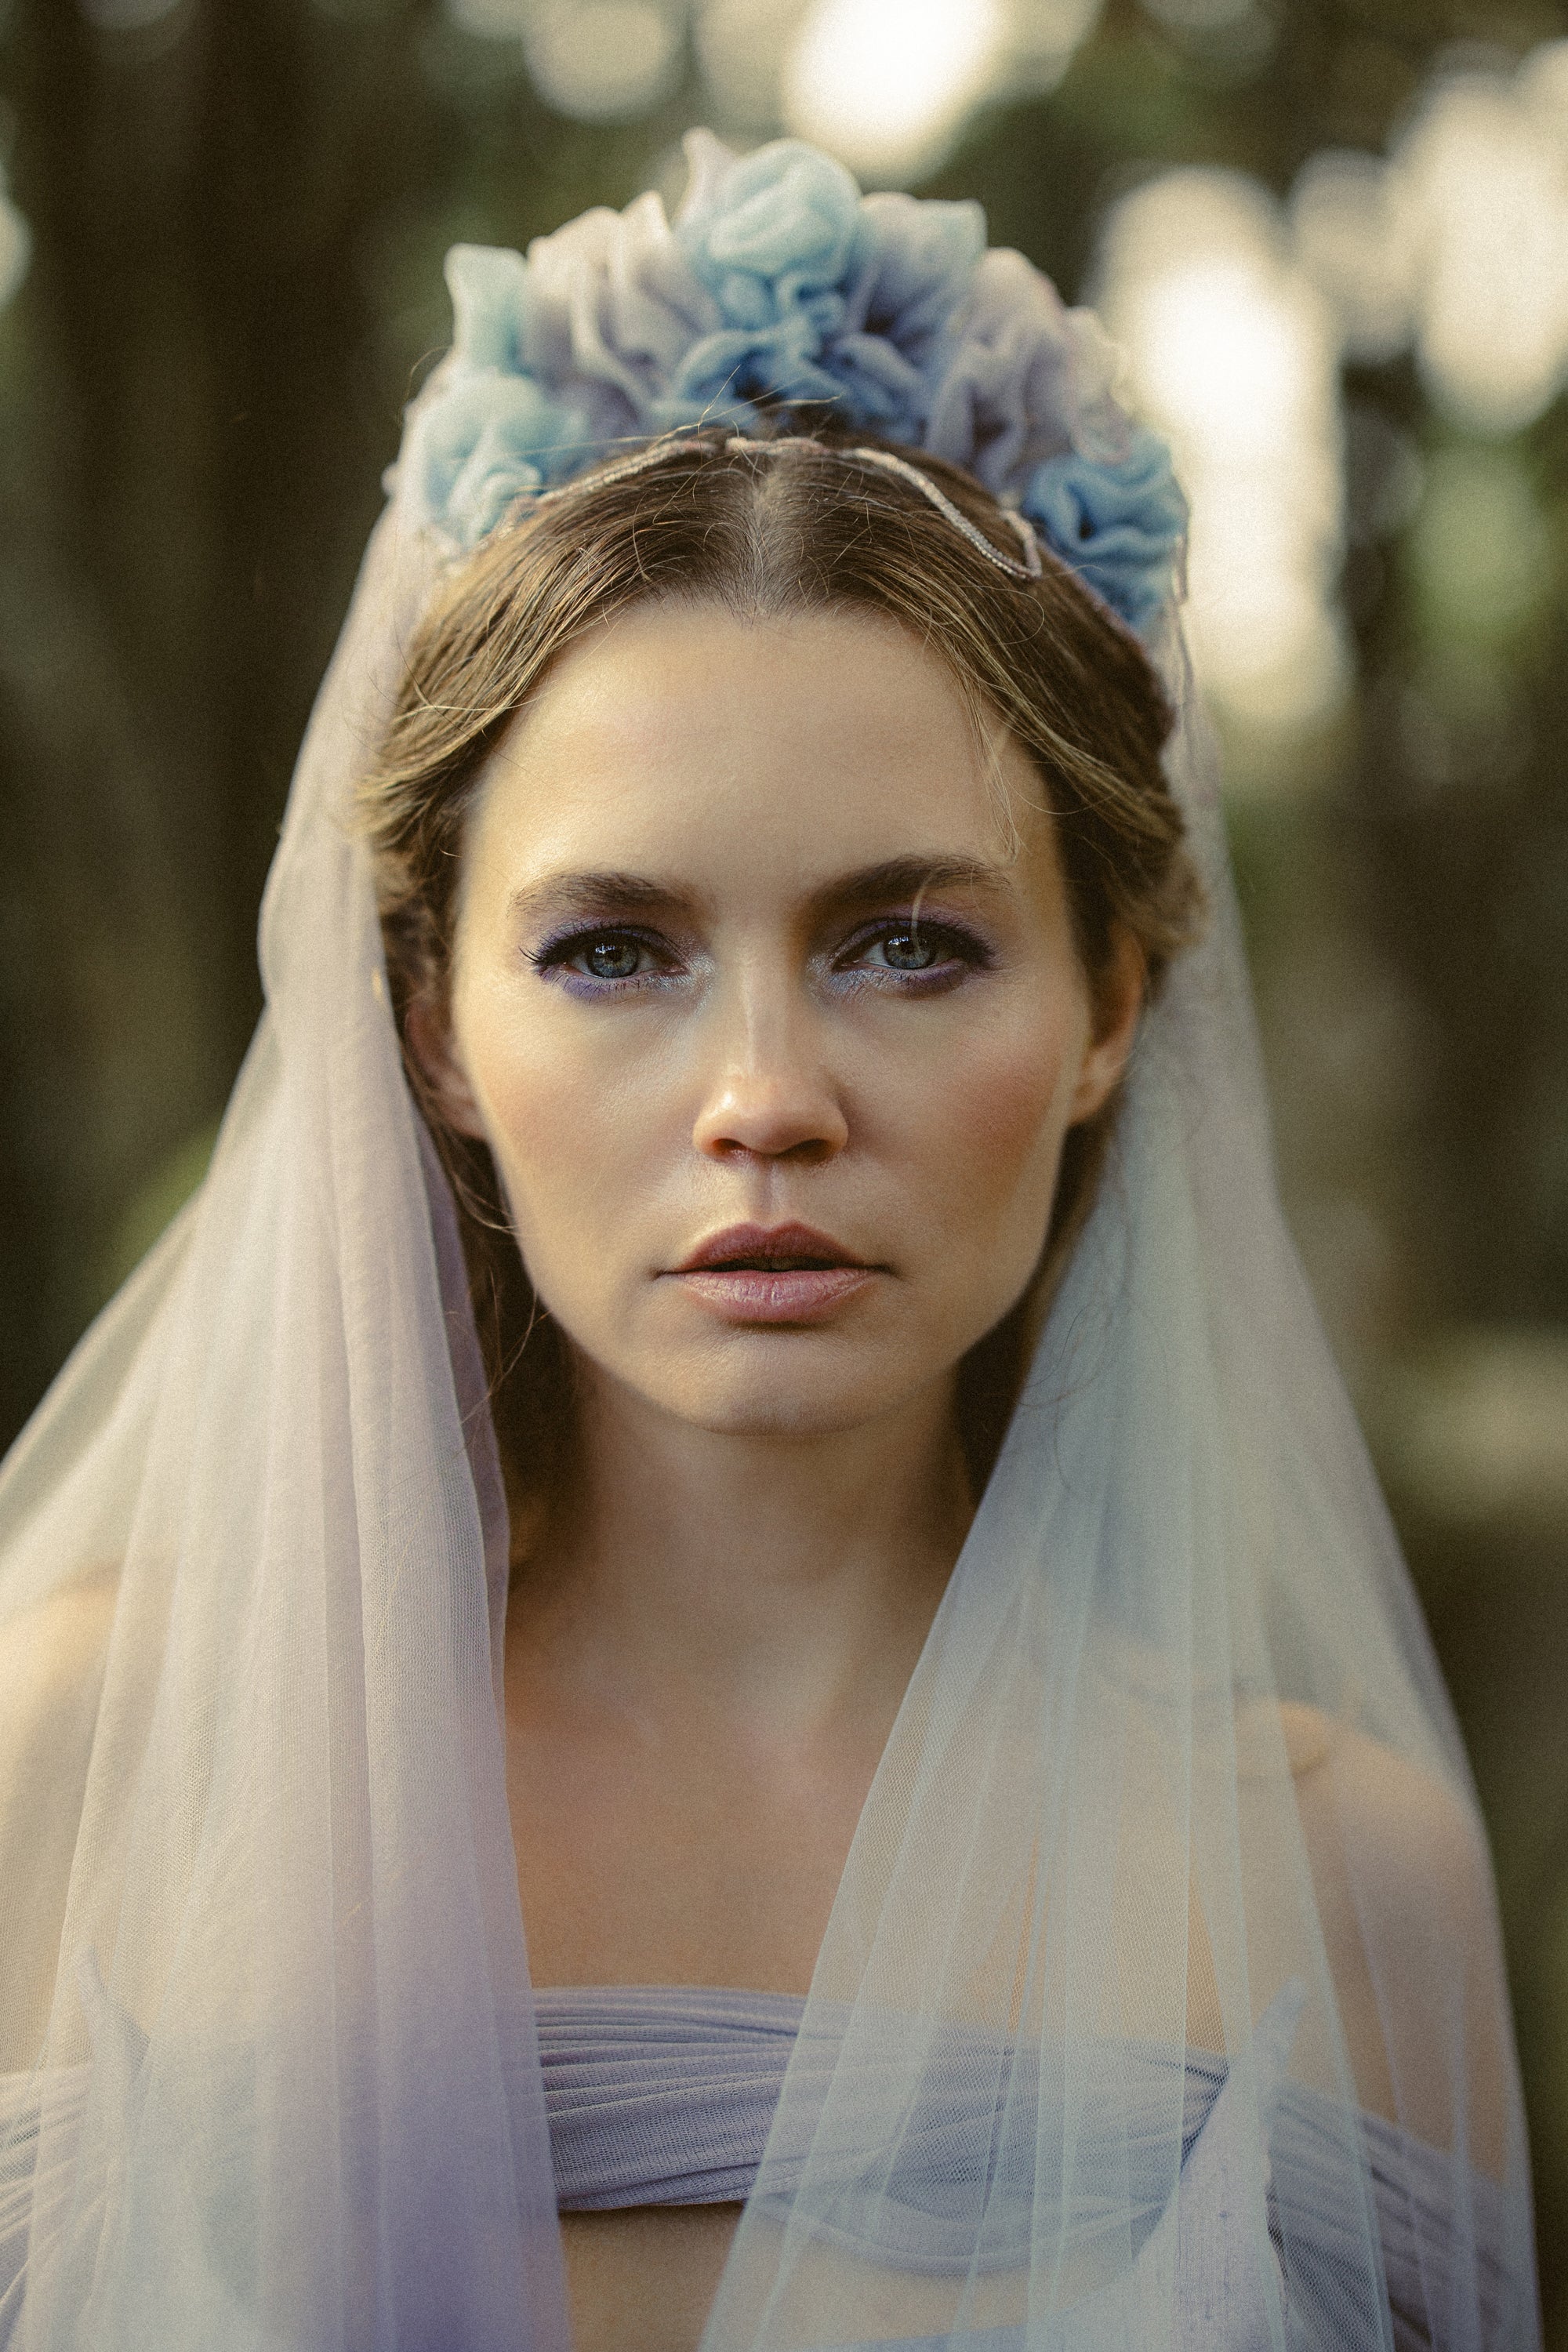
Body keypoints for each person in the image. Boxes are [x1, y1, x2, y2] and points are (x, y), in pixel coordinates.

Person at [0, 132, 1539, 2352]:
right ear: (430, 1027)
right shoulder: (82, 1766)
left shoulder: (1342, 1880)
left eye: (908, 944)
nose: (765, 1100)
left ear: (1111, 1006)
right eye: (615, 952)